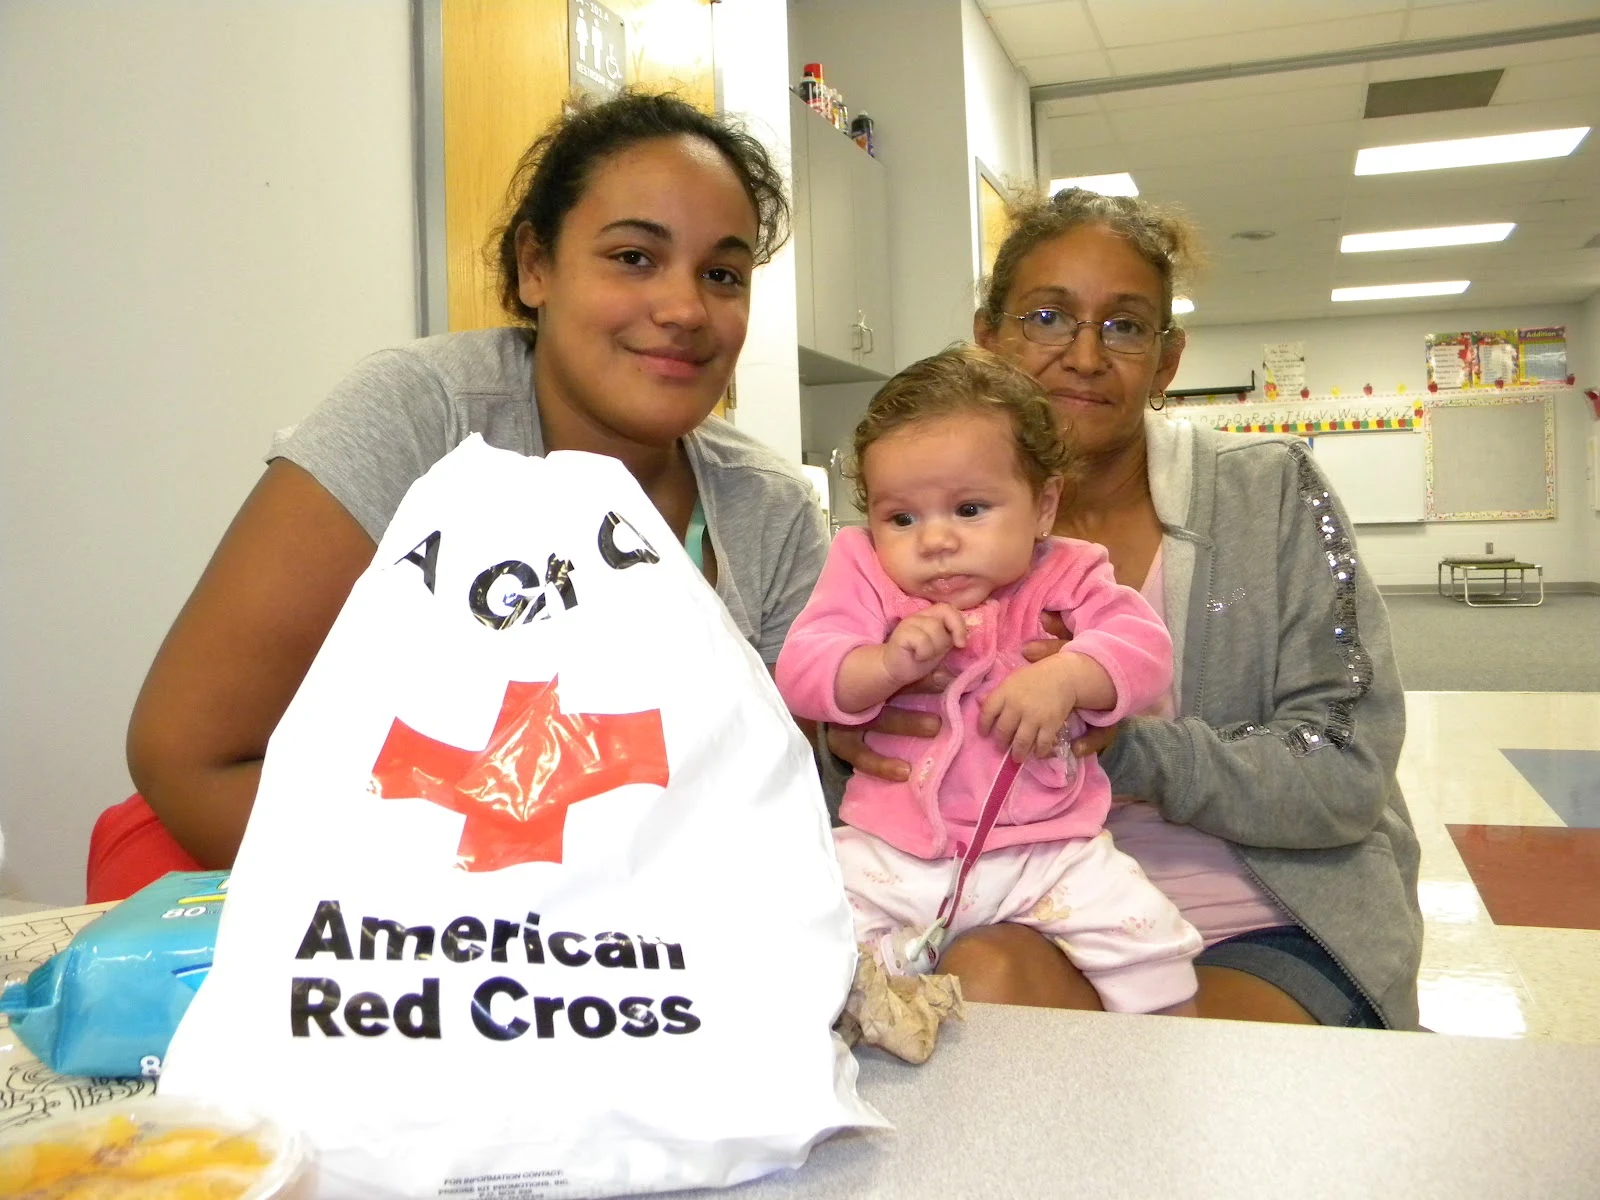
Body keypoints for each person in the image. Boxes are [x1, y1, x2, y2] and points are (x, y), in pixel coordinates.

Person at [126, 91, 828, 869]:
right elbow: (188, 757)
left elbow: (786, 824)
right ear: (536, 266)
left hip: (657, 961)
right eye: (634, 257)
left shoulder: (773, 511)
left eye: (724, 273)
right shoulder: (420, 418)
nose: (685, 308)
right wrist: (480, 936)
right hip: (395, 941)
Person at [828, 188, 1423, 1030]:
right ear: (987, 335)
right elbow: (827, 707)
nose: (1083, 354)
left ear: (1166, 359)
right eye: (1046, 317)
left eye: (1124, 325)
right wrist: (847, 728)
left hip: (1262, 917)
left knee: (1119, 1066)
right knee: (984, 987)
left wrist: (1119, 744)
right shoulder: (915, 530)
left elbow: (1345, 772)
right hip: (997, 905)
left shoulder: (1266, 493)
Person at [776, 346, 1201, 1016]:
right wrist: (881, 665)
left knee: (1147, 938)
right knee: (803, 932)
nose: (935, 539)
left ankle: (1169, 1066)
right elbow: (803, 669)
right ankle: (875, 1018)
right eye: (902, 517)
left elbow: (1144, 648)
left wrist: (1069, 674)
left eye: (970, 509)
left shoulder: (1068, 571)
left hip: (1051, 849)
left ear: (1042, 506)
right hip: (895, 851)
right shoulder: (861, 568)